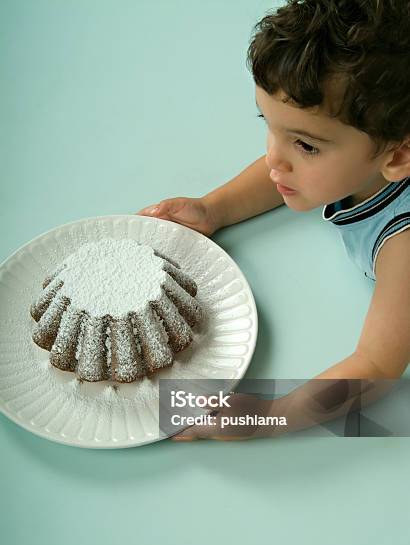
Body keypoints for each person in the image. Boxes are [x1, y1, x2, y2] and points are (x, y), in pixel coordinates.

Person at [136, 0, 410, 441]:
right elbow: (283, 175)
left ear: (397, 155)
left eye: (305, 146)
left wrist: (270, 415)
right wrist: (214, 208)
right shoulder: (359, 149)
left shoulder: (404, 247)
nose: (272, 158)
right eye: (269, 125)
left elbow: (377, 367)